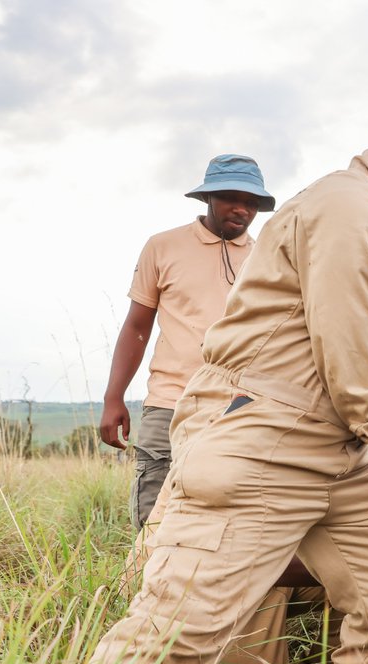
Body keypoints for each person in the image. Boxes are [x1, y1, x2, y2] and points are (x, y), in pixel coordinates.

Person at [86, 85, 368, 664]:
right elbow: (356, 377)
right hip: (265, 435)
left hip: (339, 447)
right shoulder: (348, 212)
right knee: (177, 635)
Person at [99, 155, 275, 531]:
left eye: (252, 202)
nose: (242, 209)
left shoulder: (270, 259)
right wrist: (114, 397)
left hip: (239, 409)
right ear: (208, 198)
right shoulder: (162, 247)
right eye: (230, 197)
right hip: (168, 403)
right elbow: (137, 327)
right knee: (153, 523)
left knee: (225, 526)